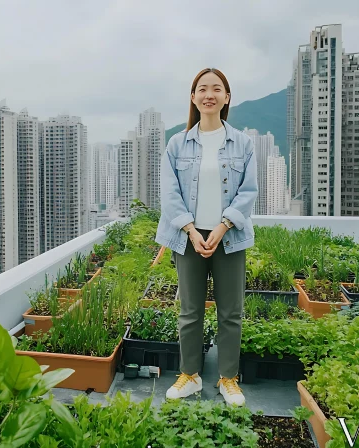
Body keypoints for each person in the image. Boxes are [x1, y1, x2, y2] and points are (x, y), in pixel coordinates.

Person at [155, 68, 258, 406]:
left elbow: (248, 191)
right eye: (202, 88)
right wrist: (189, 229)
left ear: (227, 97)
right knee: (190, 310)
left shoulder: (243, 143)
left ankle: (228, 378)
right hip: (188, 238)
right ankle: (191, 375)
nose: (209, 94)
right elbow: (169, 194)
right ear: (193, 96)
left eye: (217, 89)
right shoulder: (177, 144)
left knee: (230, 312)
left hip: (228, 236)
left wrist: (223, 226)